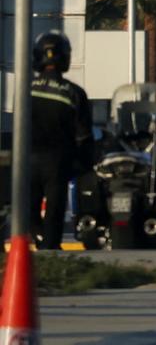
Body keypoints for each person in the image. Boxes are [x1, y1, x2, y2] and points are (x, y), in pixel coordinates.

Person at [26, 31, 91, 250]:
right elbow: (84, 137)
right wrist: (83, 165)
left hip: (26, 159)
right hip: (58, 162)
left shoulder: (25, 90)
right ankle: (51, 252)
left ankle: (33, 241)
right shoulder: (74, 93)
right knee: (54, 211)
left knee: (28, 208)